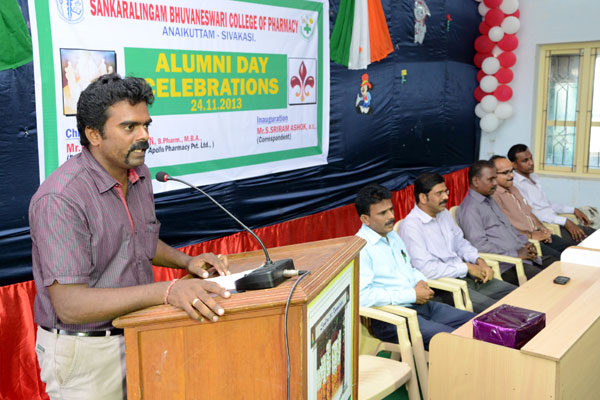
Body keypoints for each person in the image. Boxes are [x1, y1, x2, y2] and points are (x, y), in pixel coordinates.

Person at [30, 74, 231, 399]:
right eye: (130, 127)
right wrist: (168, 291)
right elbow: (69, 305)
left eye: (146, 125)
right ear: (94, 134)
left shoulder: (140, 174)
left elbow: (139, 241)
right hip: (87, 354)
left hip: (139, 332)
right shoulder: (61, 198)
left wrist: (187, 262)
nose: (144, 137)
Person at [355, 183, 475, 350]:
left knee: (475, 324)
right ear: (365, 219)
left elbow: (409, 268)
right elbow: (363, 297)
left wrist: (420, 281)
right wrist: (411, 295)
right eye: (383, 213)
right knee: (454, 340)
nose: (391, 216)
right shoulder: (361, 248)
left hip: (420, 304)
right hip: (393, 318)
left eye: (391, 209)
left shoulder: (392, 235)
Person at [400, 173, 516, 313]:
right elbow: (426, 270)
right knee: (500, 311)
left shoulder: (443, 213)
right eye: (439, 193)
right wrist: (466, 267)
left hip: (467, 276)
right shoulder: (411, 226)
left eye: (446, 191)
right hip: (445, 287)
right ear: (423, 198)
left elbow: (461, 243)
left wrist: (479, 261)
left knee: (516, 295)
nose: (446, 197)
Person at [456, 161, 548, 286]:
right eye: (491, 179)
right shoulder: (470, 209)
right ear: (476, 181)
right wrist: (516, 254)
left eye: (495, 178)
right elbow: (480, 246)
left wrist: (525, 243)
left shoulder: (489, 200)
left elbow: (509, 228)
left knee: (557, 267)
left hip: (522, 257)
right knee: (546, 283)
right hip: (506, 266)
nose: (495, 183)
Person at [508, 144, 595, 244]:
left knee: (594, 234)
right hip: (547, 227)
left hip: (556, 221)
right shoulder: (515, 184)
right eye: (525, 160)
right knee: (591, 241)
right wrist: (565, 221)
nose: (531, 163)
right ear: (514, 164)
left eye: (531, 158)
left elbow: (547, 204)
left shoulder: (534, 177)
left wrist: (573, 210)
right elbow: (532, 213)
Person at [490, 155, 571, 258]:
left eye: (512, 171)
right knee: (563, 259)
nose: (511, 175)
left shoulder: (513, 188)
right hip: (525, 242)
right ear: (492, 175)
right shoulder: (494, 195)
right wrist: (531, 236)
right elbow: (505, 228)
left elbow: (529, 213)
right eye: (506, 172)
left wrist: (542, 229)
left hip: (537, 234)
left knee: (573, 251)